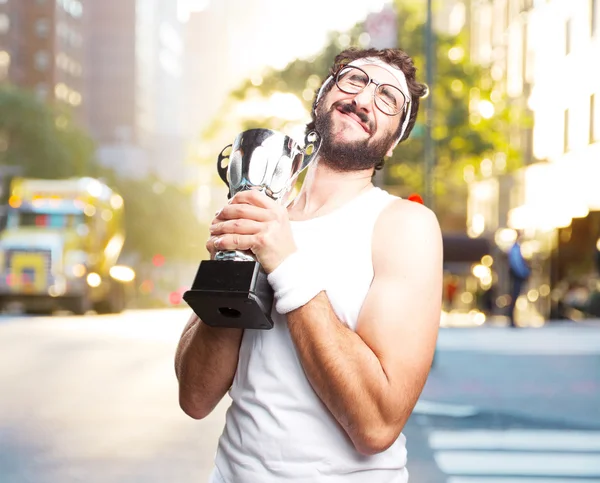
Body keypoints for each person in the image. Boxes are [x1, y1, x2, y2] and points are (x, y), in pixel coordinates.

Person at [175, 47, 443, 483]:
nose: (364, 98)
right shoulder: (263, 214)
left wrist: (285, 262)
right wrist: (232, 265)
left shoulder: (403, 226)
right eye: (353, 80)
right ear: (322, 95)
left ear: (392, 142)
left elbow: (376, 425)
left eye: (388, 99)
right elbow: (195, 397)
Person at [507, 233, 531, 327]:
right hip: (517, 276)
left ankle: (512, 319)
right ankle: (511, 319)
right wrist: (524, 273)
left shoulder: (516, 248)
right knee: (514, 297)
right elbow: (517, 264)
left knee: (514, 297)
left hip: (517, 275)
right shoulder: (515, 249)